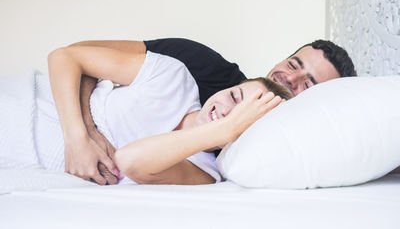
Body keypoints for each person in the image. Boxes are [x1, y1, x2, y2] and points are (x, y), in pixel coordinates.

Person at [69, 38, 357, 184]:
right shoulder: (195, 69)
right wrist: (82, 134)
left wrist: (226, 130)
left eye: (308, 84)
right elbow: (79, 55)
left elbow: (130, 161)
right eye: (294, 64)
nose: (289, 79)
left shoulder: (229, 161)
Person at [43, 46, 293, 185]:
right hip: (34, 105)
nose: (227, 110)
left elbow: (129, 160)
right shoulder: (174, 75)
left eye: (241, 117)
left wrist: (227, 129)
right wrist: (78, 138)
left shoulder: (205, 172)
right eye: (235, 96)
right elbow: (64, 56)